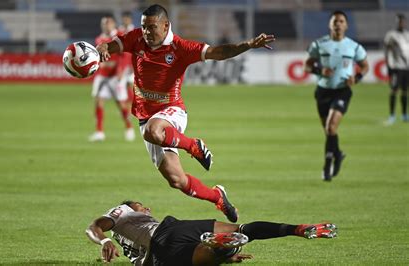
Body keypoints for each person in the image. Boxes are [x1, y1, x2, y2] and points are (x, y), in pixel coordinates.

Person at [96, 4, 275, 222]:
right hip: (145, 117)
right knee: (177, 180)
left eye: (152, 27)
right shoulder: (137, 38)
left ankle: (193, 146)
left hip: (171, 111)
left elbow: (217, 53)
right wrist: (105, 48)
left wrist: (248, 44)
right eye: (144, 27)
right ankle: (217, 197)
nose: (146, 32)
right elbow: (114, 45)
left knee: (153, 131)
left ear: (166, 25)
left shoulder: (180, 47)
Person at [85, 200, 338, 265]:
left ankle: (221, 248)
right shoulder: (122, 213)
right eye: (141, 205)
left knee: (212, 254)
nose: (147, 207)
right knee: (243, 229)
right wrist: (104, 239)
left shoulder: (130, 234)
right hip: (166, 233)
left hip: (161, 254)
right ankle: (295, 229)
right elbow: (94, 226)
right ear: (129, 207)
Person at [304, 10, 369, 181]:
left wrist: (358, 77)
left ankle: (327, 166)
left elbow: (365, 66)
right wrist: (319, 70)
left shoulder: (354, 47)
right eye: (335, 21)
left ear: (346, 25)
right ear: (330, 25)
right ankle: (338, 154)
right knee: (329, 131)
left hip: (342, 90)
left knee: (331, 127)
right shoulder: (319, 44)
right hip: (323, 91)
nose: (338, 24)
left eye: (341, 21)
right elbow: (307, 66)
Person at [88, 15, 135, 142]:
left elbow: (125, 55)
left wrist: (121, 69)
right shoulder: (99, 39)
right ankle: (99, 132)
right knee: (99, 101)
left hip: (115, 77)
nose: (105, 26)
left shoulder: (119, 36)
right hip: (102, 75)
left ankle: (129, 127)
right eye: (104, 24)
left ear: (113, 24)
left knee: (120, 103)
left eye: (108, 23)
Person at [384, 13, 409, 125]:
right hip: (396, 67)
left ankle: (404, 115)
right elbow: (387, 51)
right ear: (396, 22)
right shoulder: (391, 35)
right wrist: (389, 66)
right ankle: (392, 116)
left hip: (406, 68)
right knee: (394, 90)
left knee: (405, 91)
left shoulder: (407, 35)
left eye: (402, 21)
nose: (401, 23)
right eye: (399, 21)